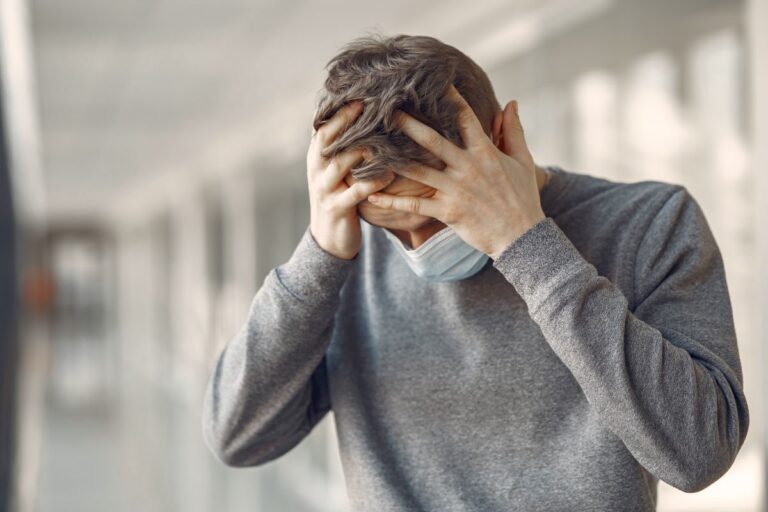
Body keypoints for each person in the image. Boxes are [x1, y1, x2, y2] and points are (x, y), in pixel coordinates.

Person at [201, 34, 749, 511]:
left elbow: (698, 453)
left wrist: (525, 244)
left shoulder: (649, 222)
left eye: (436, 215)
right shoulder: (348, 252)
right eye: (390, 227)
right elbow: (238, 435)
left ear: (503, 141)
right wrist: (318, 259)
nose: (413, 247)